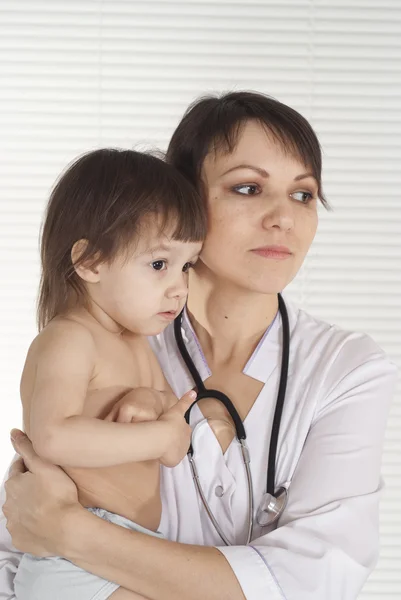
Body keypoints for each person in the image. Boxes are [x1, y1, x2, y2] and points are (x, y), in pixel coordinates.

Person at [1, 91, 398, 600]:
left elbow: (314, 580)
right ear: (185, 199)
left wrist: (74, 533)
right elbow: (22, 539)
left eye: (303, 194)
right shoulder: (108, 342)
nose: (284, 217)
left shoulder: (348, 369)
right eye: (249, 187)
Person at [5, 148, 206, 600]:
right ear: (91, 261)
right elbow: (54, 436)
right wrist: (159, 437)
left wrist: (152, 404)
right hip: (73, 553)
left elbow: (165, 424)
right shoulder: (70, 338)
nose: (180, 287)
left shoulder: (140, 343)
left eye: (187, 266)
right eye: (159, 264)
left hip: (121, 549)